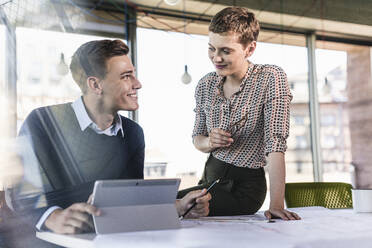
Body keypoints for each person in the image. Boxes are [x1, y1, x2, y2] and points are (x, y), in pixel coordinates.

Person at [7, 39, 211, 243]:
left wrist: (179, 206)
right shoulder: (43, 122)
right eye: (126, 76)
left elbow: (129, 201)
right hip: (48, 242)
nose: (137, 84)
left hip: (106, 241)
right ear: (95, 85)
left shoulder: (133, 133)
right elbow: (18, 194)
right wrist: (52, 217)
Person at [178, 7, 300, 221]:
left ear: (250, 48)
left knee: (167, 203)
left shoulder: (271, 77)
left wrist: (276, 205)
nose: (216, 58)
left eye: (226, 51)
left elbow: (275, 144)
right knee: (169, 203)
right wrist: (210, 142)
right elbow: (197, 139)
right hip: (210, 179)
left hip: (244, 189)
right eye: (211, 49)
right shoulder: (205, 84)